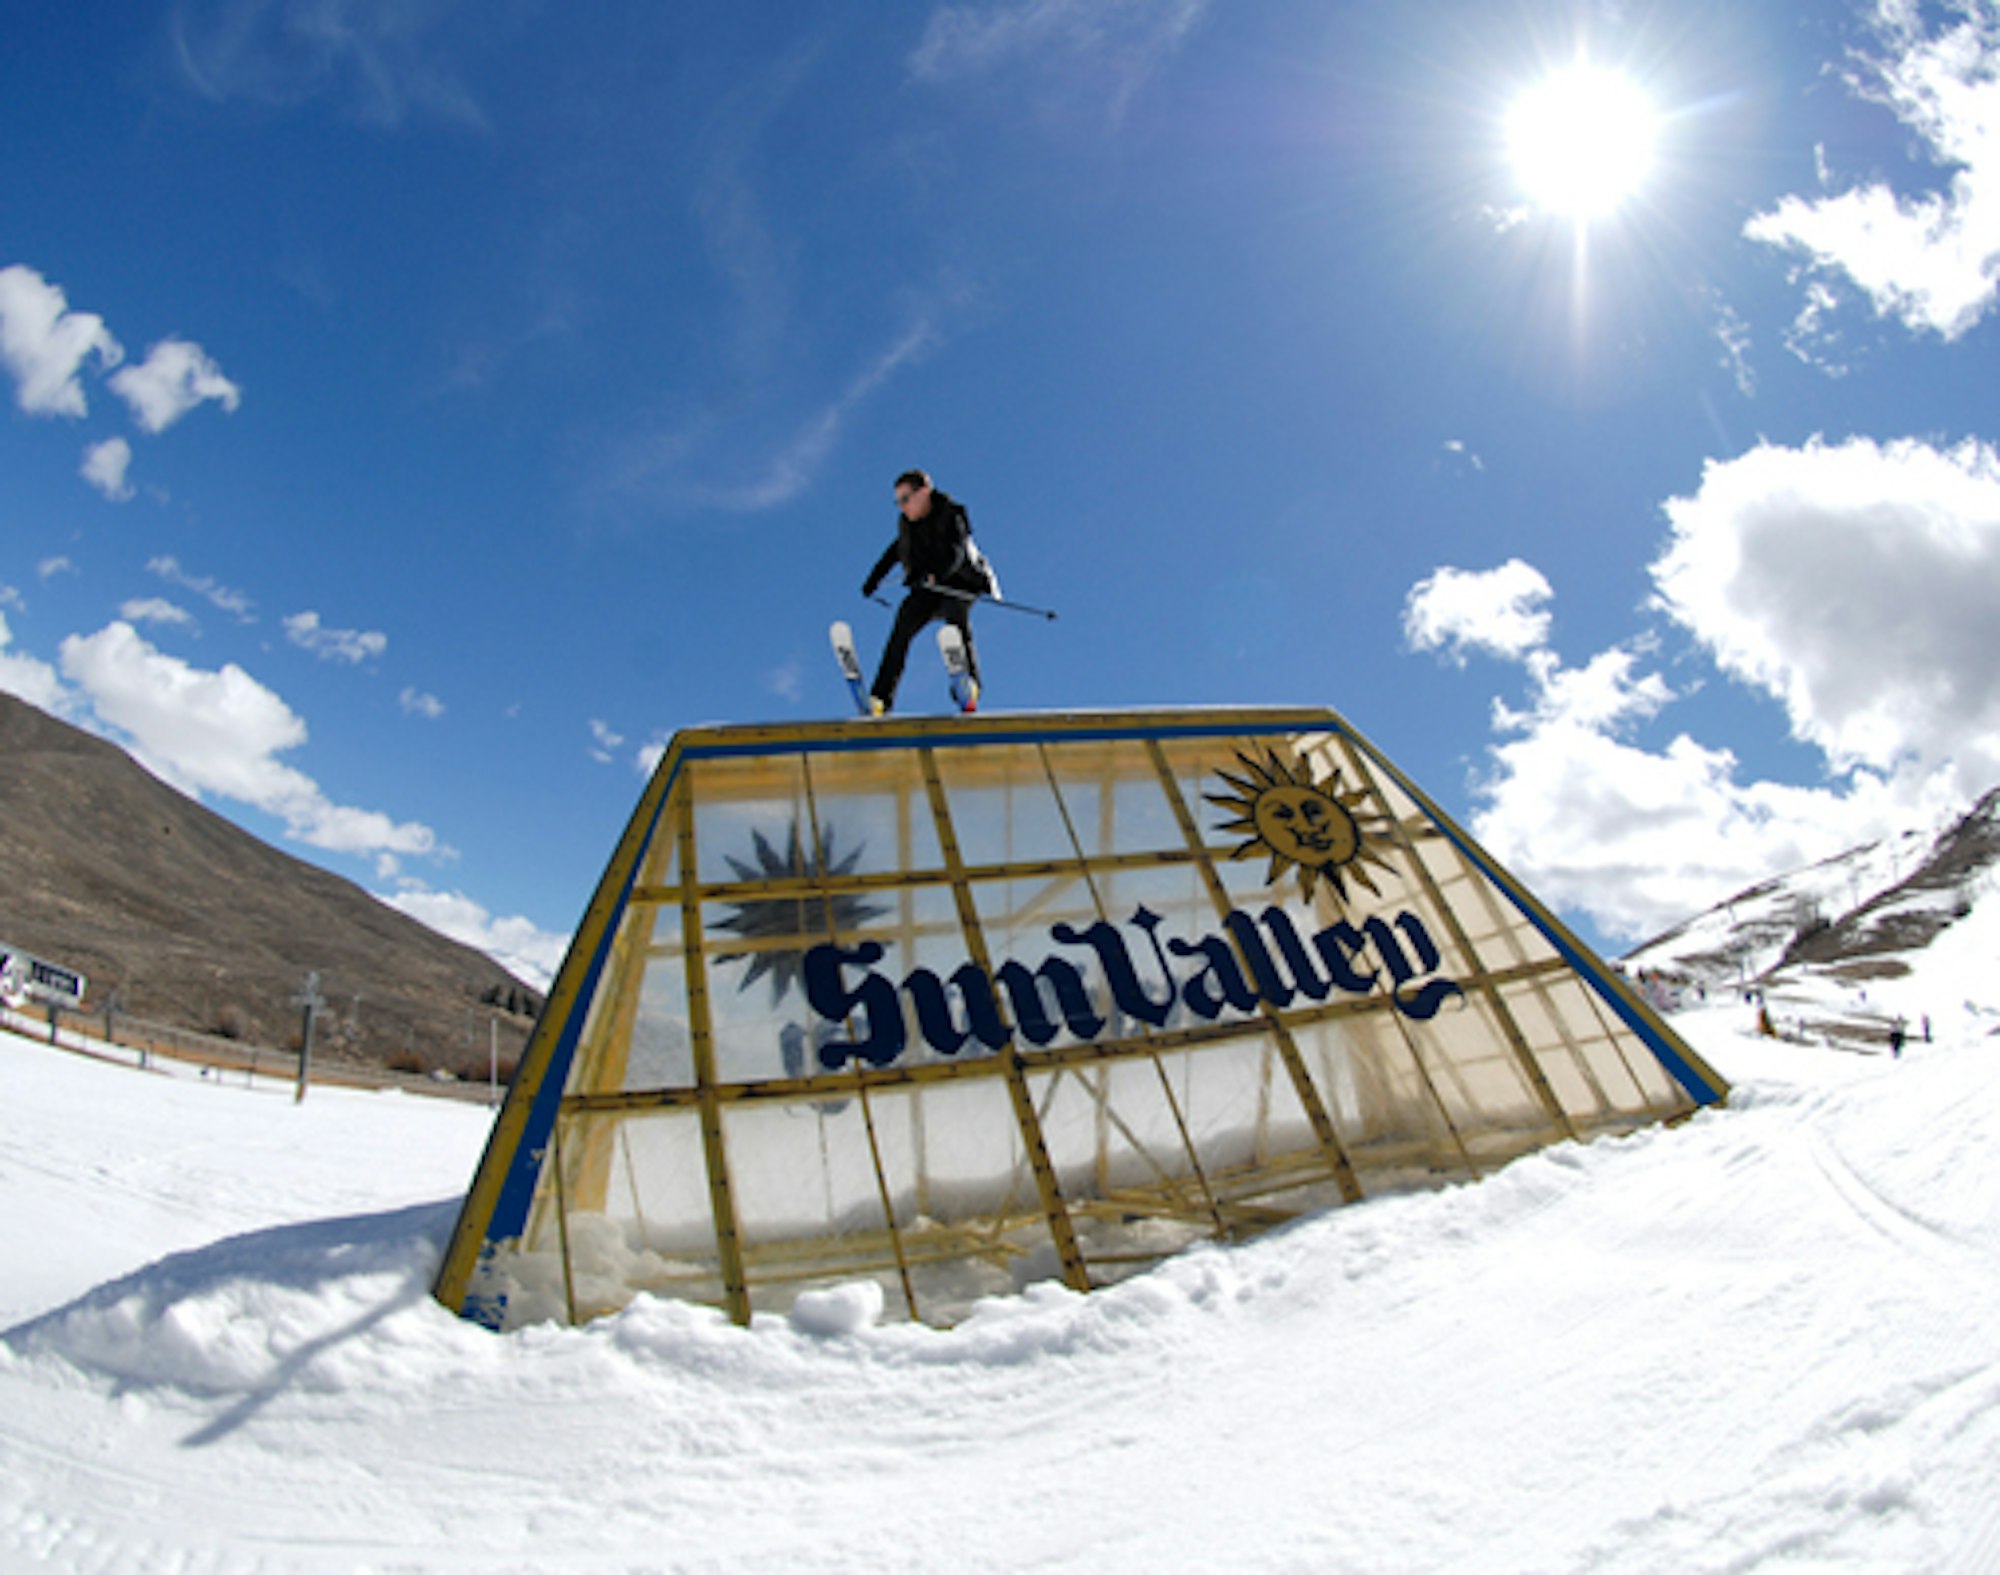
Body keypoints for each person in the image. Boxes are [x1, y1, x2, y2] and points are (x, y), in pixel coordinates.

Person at [860, 469, 992, 713]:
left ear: (924, 493)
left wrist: (933, 575)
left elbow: (956, 553)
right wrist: (873, 580)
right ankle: (881, 698)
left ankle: (969, 683)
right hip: (926, 590)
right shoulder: (908, 525)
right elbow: (894, 552)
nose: (902, 507)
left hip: (958, 582)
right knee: (901, 629)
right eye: (898, 501)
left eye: (905, 499)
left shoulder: (951, 515)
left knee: (956, 621)